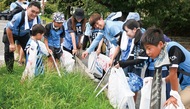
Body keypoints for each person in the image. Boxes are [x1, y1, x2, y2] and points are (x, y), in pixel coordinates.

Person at [141, 28, 190, 109]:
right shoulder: (163, 53)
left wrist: (174, 96)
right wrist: (162, 80)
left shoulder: (173, 49)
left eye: (149, 48)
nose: (147, 52)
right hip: (186, 85)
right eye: (145, 49)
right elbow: (172, 75)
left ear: (160, 44)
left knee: (173, 106)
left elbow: (173, 73)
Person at [3, 1, 41, 72]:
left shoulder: (38, 19)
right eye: (32, 11)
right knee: (9, 51)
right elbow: (9, 29)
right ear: (27, 8)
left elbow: (38, 30)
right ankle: (10, 71)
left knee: (30, 50)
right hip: (11, 33)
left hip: (23, 34)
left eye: (36, 12)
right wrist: (11, 44)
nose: (34, 14)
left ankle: (29, 69)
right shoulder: (19, 16)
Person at [10, 0, 30, 66]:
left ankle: (20, 60)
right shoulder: (13, 4)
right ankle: (20, 58)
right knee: (18, 45)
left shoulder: (28, 3)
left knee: (24, 46)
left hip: (25, 29)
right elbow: (12, 15)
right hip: (16, 28)